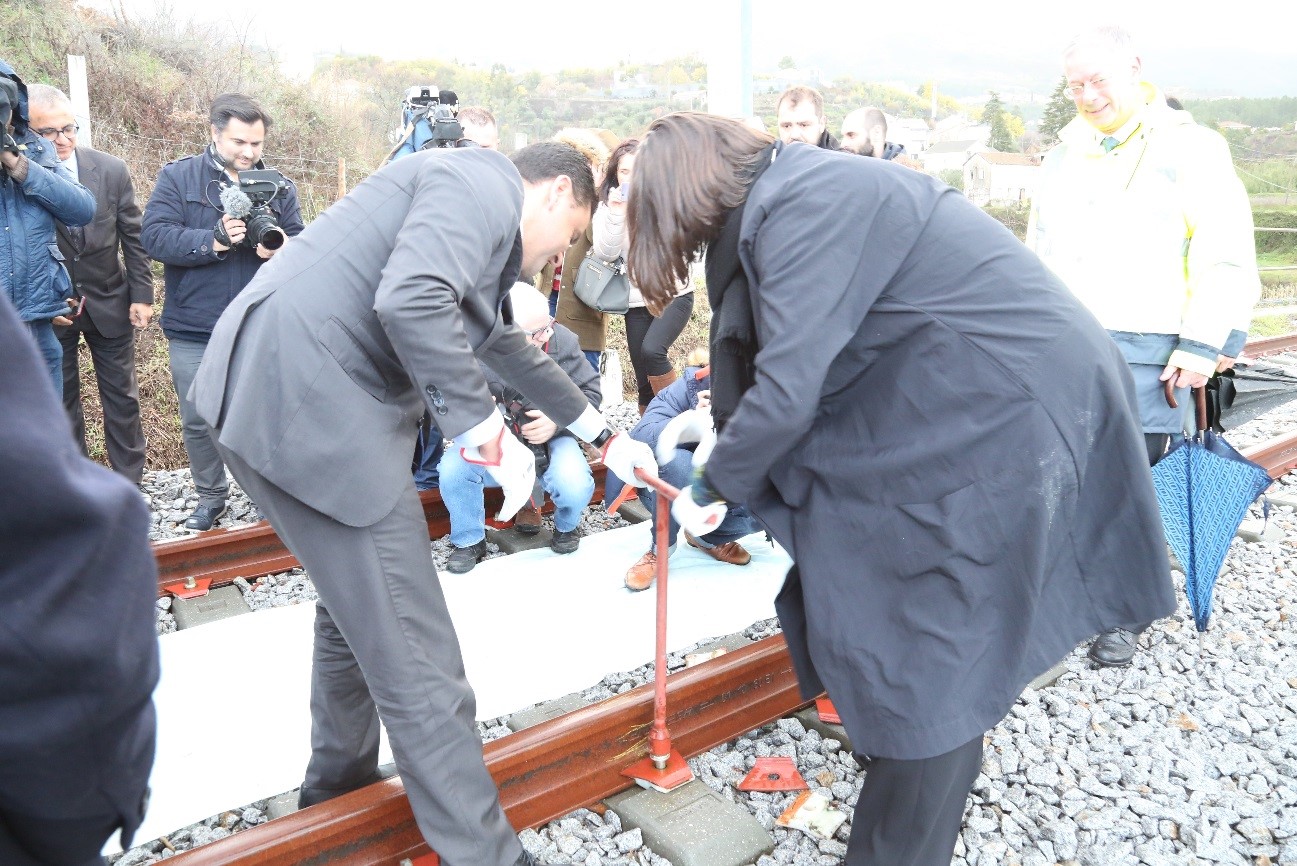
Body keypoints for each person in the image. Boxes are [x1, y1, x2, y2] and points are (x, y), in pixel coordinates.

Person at [625, 112, 1174, 866]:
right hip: (973, 400)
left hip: (1005, 410)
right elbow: (808, 352)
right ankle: (914, 778)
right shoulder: (801, 188)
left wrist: (711, 485)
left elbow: (789, 386)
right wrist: (722, 433)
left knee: (929, 639)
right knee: (923, 624)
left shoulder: (804, 205)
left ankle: (901, 837)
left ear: (680, 187)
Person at [189, 142, 656, 866]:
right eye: (567, 237)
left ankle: (337, 790)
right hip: (309, 409)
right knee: (419, 654)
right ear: (558, 193)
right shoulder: (475, 181)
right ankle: (487, 856)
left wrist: (601, 433)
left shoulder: (461, 203)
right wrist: (481, 428)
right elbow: (408, 299)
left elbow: (496, 338)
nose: (550, 258)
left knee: (356, 612)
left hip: (272, 394)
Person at [1027, 25, 1261, 668]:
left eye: (1099, 79)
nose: (1088, 94)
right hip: (1069, 344)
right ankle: (1068, 599)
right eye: (1075, 84)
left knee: (1136, 486)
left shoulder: (1191, 149)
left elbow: (1225, 251)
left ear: (1134, 68)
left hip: (1153, 349)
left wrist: (1202, 341)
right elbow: (1038, 249)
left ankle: (1128, 611)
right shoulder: (1065, 152)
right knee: (1067, 480)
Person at [0, 291, 159, 866]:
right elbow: (56, 546)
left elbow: (115, 227)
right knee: (58, 416)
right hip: (35, 817)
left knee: (113, 404)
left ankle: (120, 469)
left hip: (79, 310)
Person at [141, 92, 304, 531]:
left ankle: (269, 494)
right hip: (195, 325)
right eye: (238, 142)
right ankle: (210, 497)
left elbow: (303, 245)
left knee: (265, 414)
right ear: (214, 133)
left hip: (259, 322)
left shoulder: (280, 185)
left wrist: (284, 249)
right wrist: (211, 241)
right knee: (198, 419)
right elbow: (153, 237)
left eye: (256, 143)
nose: (248, 152)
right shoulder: (179, 178)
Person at [29, 84, 154, 483]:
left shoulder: (111, 169)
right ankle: (78, 484)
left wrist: (142, 295)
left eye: (70, 128)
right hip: (53, 310)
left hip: (111, 300)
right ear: (26, 132)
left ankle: (130, 483)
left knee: (122, 397)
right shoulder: (18, 179)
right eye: (49, 132)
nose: (63, 139)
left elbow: (133, 237)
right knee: (61, 399)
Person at [439, 283, 600, 572]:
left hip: (551, 439)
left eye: (548, 325)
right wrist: (475, 412)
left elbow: (592, 395)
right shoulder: (471, 344)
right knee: (453, 471)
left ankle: (567, 527)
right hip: (493, 439)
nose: (547, 334)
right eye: (537, 333)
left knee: (574, 483)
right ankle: (469, 540)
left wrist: (557, 422)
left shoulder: (562, 342)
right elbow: (445, 396)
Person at [605, 352, 758, 591]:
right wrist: (693, 419)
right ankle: (660, 550)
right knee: (677, 465)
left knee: (772, 500)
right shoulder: (692, 384)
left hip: (723, 486)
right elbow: (642, 435)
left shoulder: (768, 398)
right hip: (666, 488)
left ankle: (706, 539)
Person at [0, 60, 96, 398]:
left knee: (43, 438)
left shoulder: (32, 150)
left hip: (36, 327)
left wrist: (19, 166)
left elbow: (81, 208)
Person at [591, 138, 694, 413]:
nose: (632, 177)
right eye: (625, 171)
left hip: (673, 293)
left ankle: (678, 414)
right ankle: (648, 425)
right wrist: (616, 214)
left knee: (652, 351)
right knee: (641, 370)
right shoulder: (608, 204)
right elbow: (606, 253)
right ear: (615, 174)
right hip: (635, 299)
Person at [538, 128, 614, 369]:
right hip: (548, 294)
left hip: (584, 302)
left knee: (583, 372)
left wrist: (594, 194)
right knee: (542, 368)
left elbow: (604, 246)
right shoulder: (552, 197)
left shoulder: (607, 203)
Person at [840, 106, 916, 164]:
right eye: (843, 137)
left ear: (876, 133)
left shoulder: (907, 181)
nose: (843, 144)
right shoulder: (847, 172)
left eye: (851, 135)